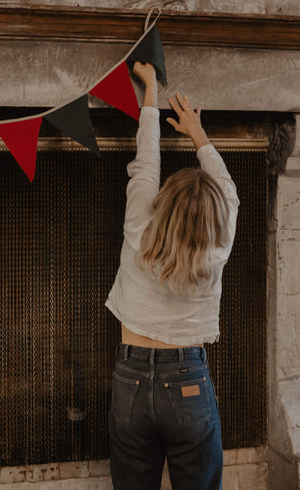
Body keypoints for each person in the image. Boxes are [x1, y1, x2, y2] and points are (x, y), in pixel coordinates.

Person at [105, 62, 239, 490]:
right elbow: (227, 188)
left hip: (130, 377)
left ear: (165, 200)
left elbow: (146, 161)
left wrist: (149, 92)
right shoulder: (220, 240)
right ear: (216, 214)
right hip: (187, 381)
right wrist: (198, 133)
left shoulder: (140, 223)